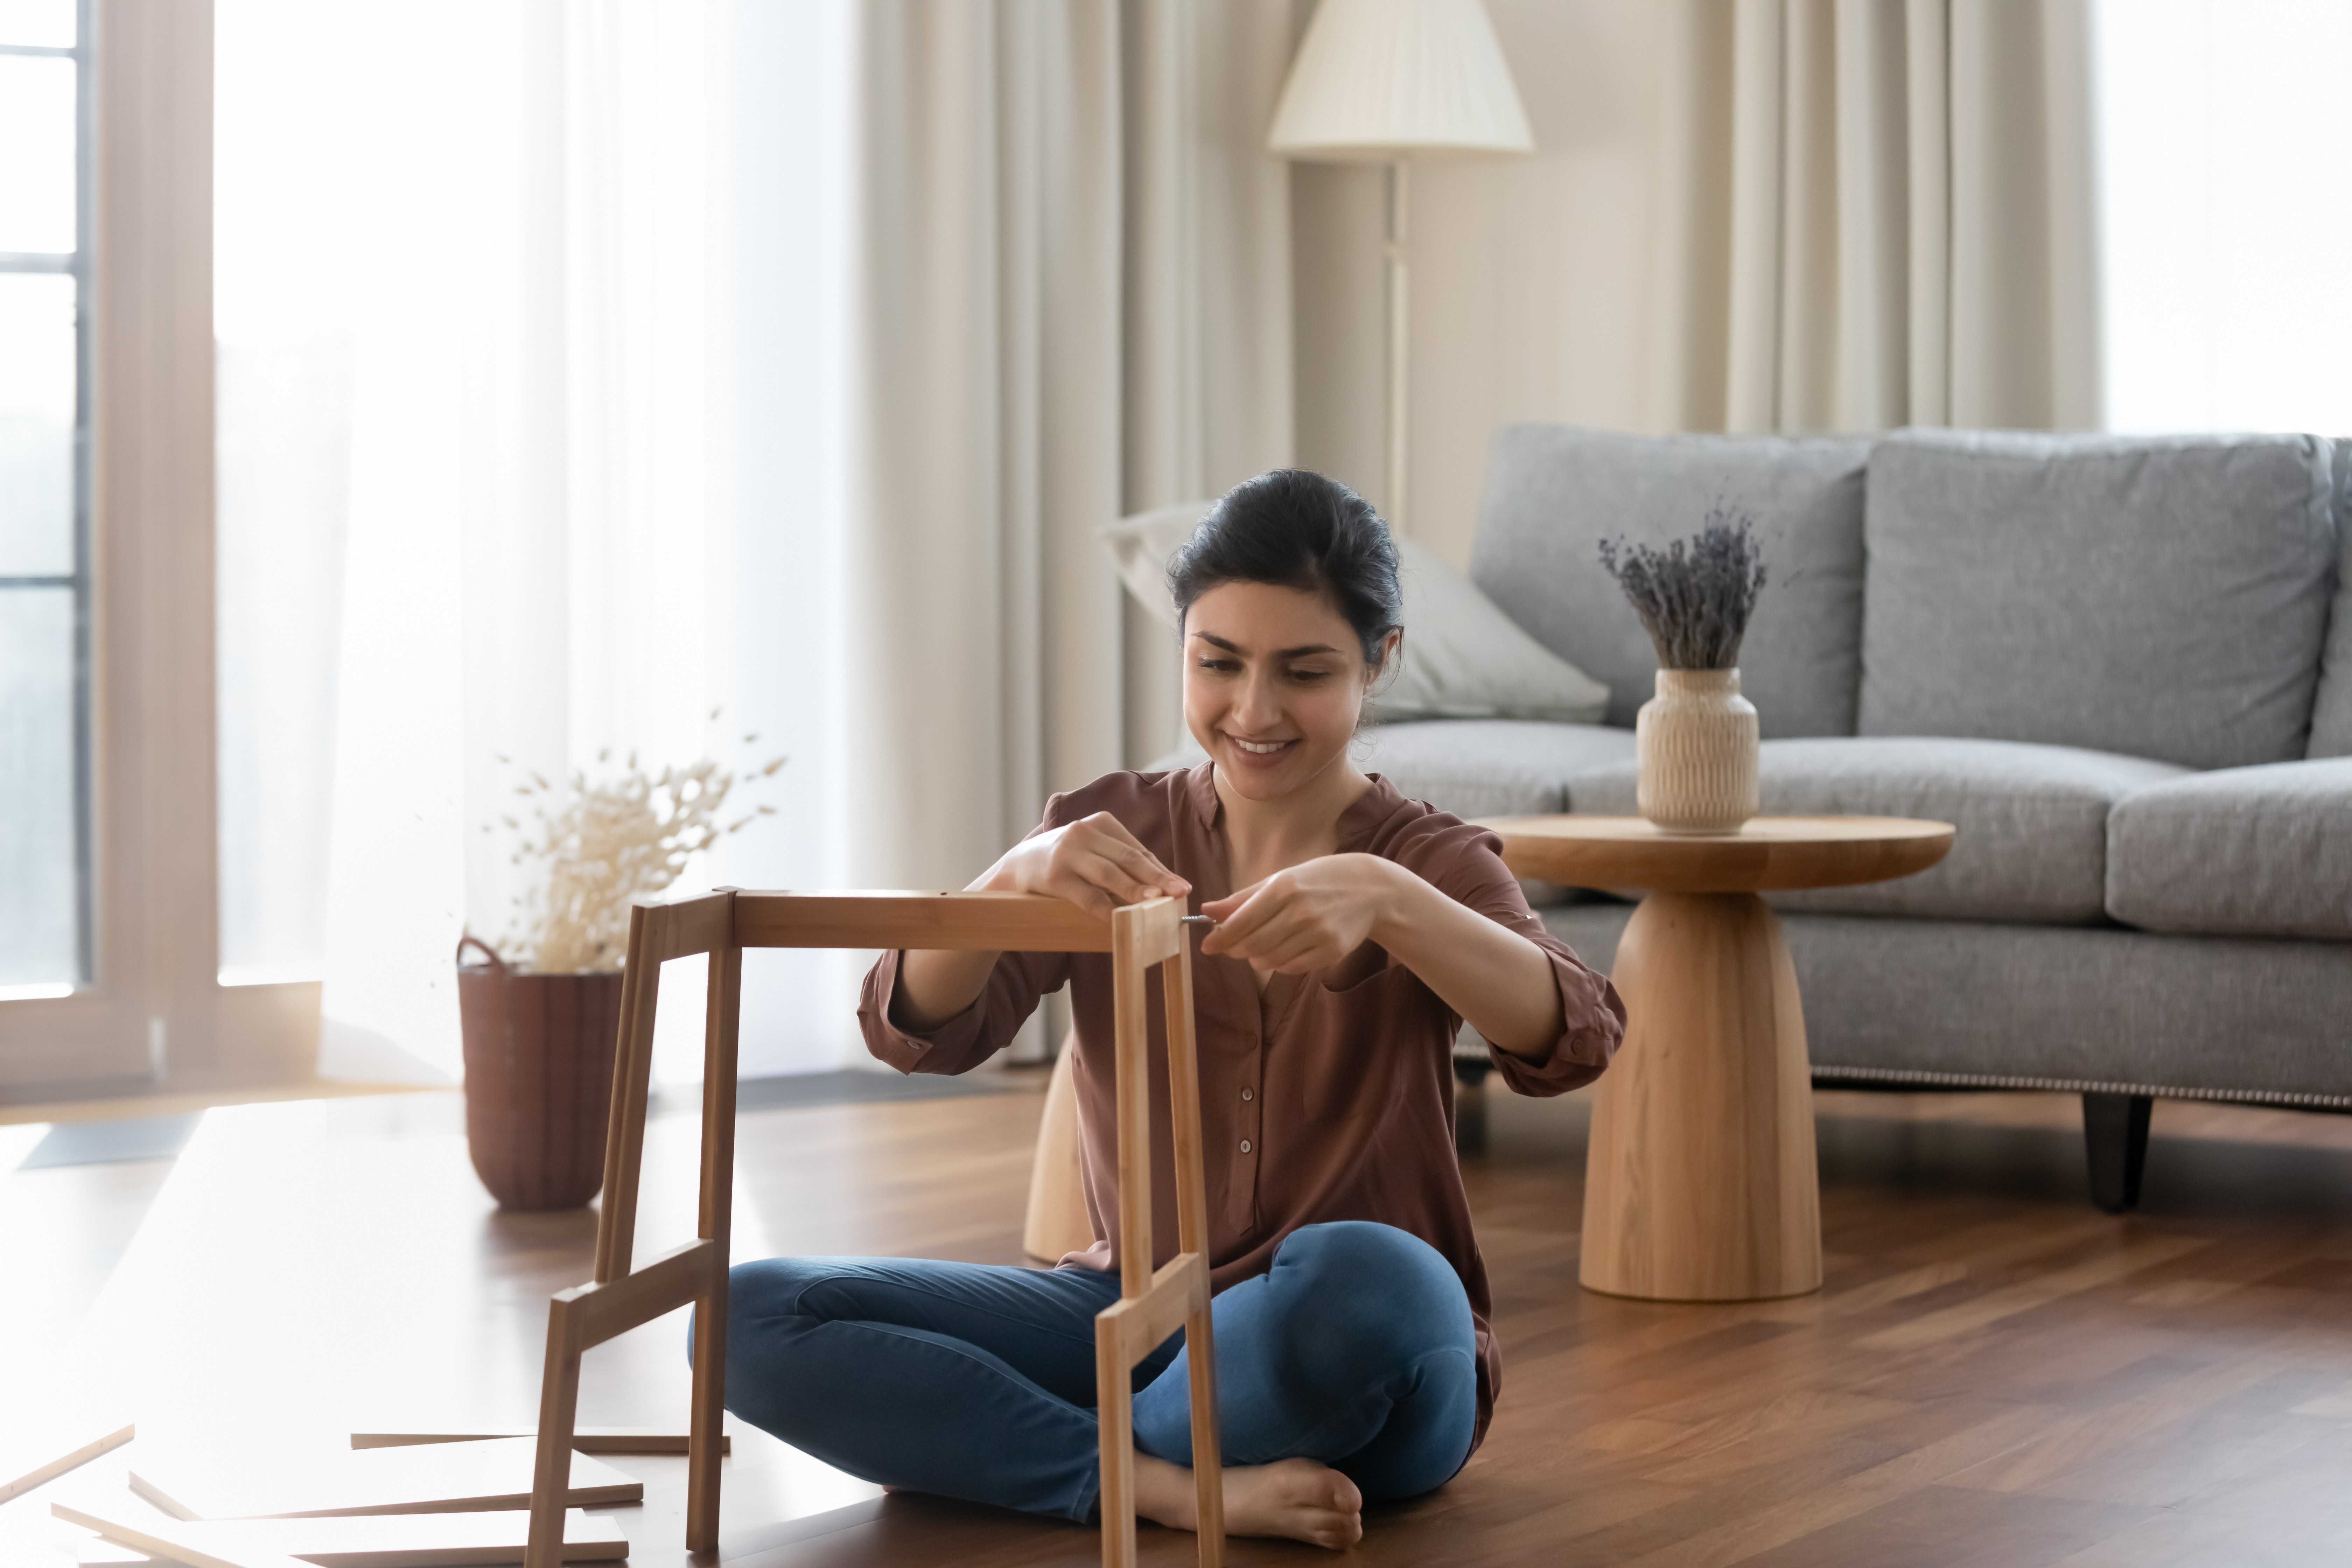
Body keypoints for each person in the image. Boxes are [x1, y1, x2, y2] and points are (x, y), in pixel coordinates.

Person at [719, 469, 1624, 1549]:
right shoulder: (1107, 828)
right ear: (1182, 646)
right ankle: (1155, 1483)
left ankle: (1024, 1445)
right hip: (1127, 1316)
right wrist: (1014, 879)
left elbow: (1573, 1037)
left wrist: (1391, 905)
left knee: (1372, 1280)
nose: (1253, 712)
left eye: (1305, 671)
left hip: (1354, 1346)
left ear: (1379, 663)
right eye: (1218, 663)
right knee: (745, 1313)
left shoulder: (1425, 860)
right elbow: (910, 1028)